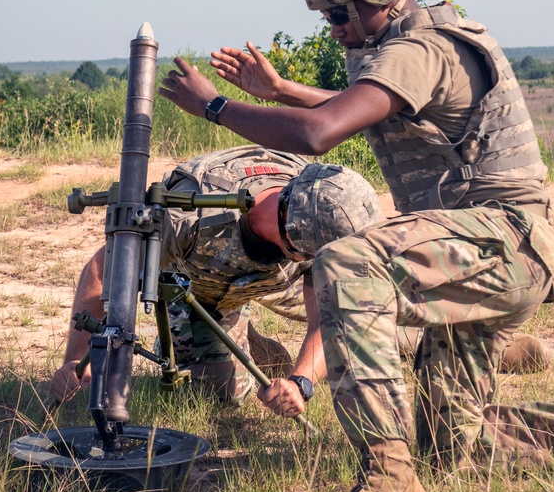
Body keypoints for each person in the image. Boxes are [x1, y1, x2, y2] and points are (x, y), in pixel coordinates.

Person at [159, 0, 554, 492]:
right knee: (448, 450)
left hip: (501, 241)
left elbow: (319, 133)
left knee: (346, 263)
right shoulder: (416, 45)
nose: (333, 26)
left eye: (340, 11)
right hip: (484, 253)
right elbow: (364, 103)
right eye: (326, 13)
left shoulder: (421, 49)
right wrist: (282, 90)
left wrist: (213, 107)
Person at [50, 145, 383, 420]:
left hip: (273, 279)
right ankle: (242, 341)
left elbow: (328, 319)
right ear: (296, 242)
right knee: (221, 396)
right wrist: (76, 361)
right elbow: (102, 268)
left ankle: (249, 341)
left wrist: (301, 383)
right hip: (198, 286)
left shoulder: (320, 207)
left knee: (371, 322)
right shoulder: (188, 217)